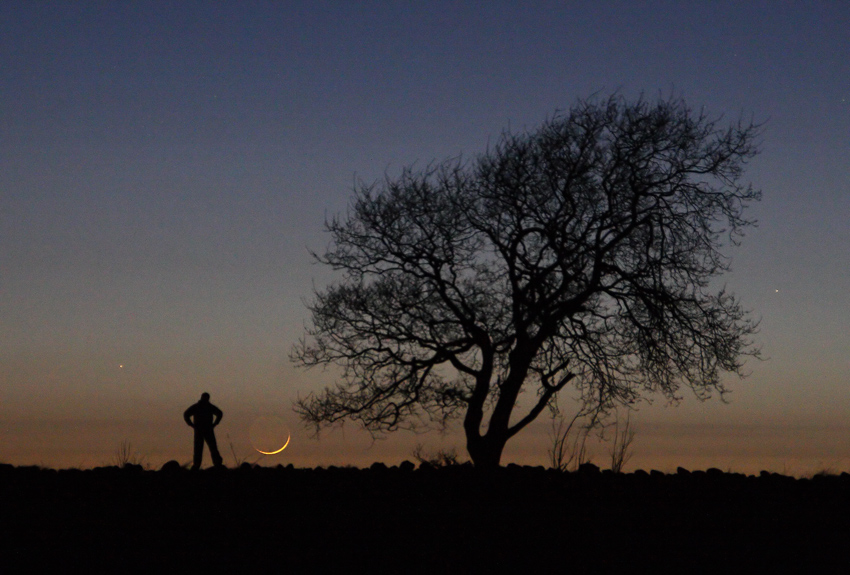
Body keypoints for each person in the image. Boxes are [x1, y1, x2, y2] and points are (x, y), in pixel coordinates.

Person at [183, 392, 224, 470]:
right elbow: (186, 414)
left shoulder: (207, 407)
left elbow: (219, 413)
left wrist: (215, 423)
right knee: (199, 448)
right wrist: (191, 424)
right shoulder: (200, 407)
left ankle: (217, 463)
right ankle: (197, 465)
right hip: (200, 430)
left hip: (206, 429)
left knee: (211, 447)